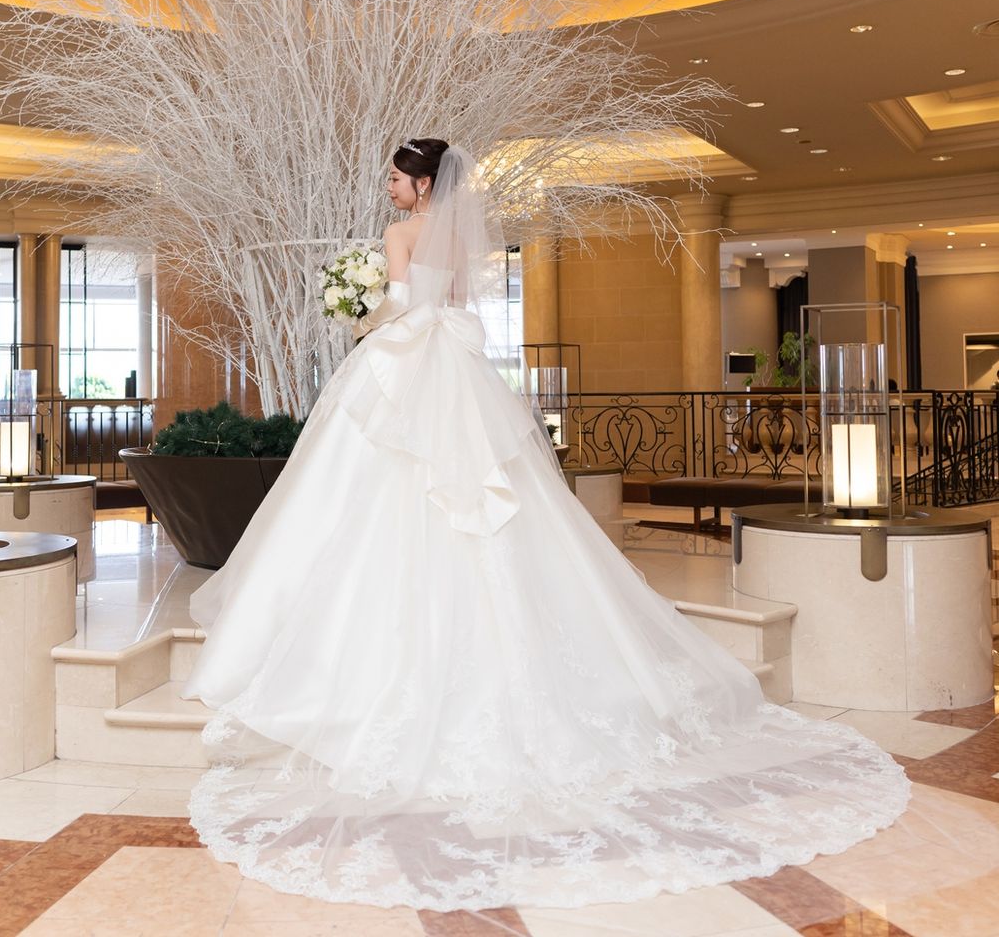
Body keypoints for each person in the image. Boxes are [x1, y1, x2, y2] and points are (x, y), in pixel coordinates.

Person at [183, 139, 909, 912]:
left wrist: (356, 311)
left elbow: (401, 306)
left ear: (422, 184)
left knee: (380, 489)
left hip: (405, 365)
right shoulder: (456, 240)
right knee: (484, 493)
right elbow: (450, 307)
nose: (389, 188)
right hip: (456, 373)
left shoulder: (400, 235)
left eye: (396, 177)